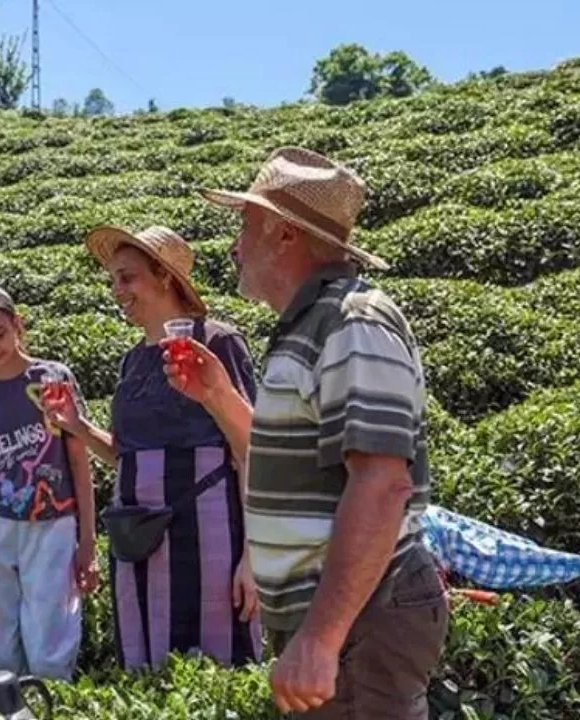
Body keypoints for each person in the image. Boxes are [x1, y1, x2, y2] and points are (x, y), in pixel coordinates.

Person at [199, 146, 446, 718]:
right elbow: (286, 464)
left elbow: (382, 486)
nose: (235, 245)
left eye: (246, 224)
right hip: (339, 618)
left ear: (285, 236)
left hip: (363, 618)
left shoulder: (351, 322)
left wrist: (321, 637)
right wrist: (216, 394)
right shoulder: (309, 326)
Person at [44, 225, 263, 672]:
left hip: (206, 531)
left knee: (213, 667)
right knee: (148, 667)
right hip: (138, 537)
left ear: (164, 277)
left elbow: (250, 448)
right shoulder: (133, 359)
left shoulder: (216, 341)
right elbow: (125, 454)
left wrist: (254, 557)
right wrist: (77, 426)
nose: (117, 291)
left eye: (127, 277)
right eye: (113, 281)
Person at [0, 285, 100, 682]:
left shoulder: (52, 378)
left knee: (51, 640)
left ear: (18, 324)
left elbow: (78, 460)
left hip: (52, 520)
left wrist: (88, 541)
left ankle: (49, 705)